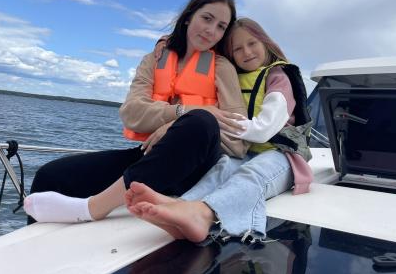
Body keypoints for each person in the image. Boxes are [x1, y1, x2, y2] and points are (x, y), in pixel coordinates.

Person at [23, 0, 249, 223]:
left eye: (221, 27)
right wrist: (180, 114)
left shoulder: (222, 68)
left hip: (196, 169)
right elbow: (131, 113)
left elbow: (238, 140)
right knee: (50, 176)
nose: (211, 30)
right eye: (207, 18)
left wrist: (179, 126)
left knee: (202, 121)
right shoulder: (154, 59)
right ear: (189, 17)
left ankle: (95, 208)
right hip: (151, 158)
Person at [126, 17, 313, 243]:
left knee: (252, 175)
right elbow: (199, 43)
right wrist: (166, 41)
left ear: (265, 43)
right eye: (237, 49)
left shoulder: (278, 77)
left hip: (281, 156)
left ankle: (203, 215)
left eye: (252, 44)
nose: (246, 52)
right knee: (221, 168)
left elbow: (264, 129)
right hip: (247, 152)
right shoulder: (233, 76)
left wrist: (216, 122)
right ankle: (182, 206)